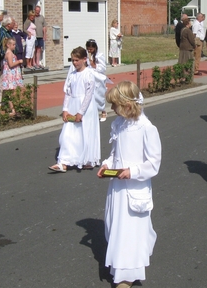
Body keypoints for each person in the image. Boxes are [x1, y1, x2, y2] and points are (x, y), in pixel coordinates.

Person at [97, 81, 162, 288]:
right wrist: (107, 164)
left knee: (131, 231)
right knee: (116, 226)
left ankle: (127, 275)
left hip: (135, 187)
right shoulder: (119, 124)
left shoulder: (146, 128)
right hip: (117, 186)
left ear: (127, 105)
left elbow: (153, 164)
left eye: (115, 105)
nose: (112, 109)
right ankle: (119, 267)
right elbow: (115, 152)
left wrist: (132, 172)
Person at [49, 47, 100, 172]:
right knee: (67, 133)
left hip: (85, 107)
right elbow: (68, 92)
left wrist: (81, 112)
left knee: (84, 133)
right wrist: (65, 109)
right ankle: (64, 162)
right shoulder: (72, 75)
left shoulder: (89, 74)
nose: (74, 63)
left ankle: (86, 158)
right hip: (73, 104)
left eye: (77, 60)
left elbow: (88, 95)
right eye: (72, 60)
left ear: (84, 59)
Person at [85, 39, 109, 122]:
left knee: (99, 95)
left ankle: (103, 111)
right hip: (90, 77)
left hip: (98, 78)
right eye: (88, 49)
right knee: (90, 95)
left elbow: (103, 68)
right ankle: (92, 113)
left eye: (91, 49)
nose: (89, 51)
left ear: (95, 48)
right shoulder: (87, 55)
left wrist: (94, 65)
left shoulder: (99, 55)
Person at [0, 37, 24, 116]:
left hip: (13, 73)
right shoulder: (9, 53)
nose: (14, 46)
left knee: (12, 92)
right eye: (13, 45)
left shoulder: (10, 52)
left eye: (15, 44)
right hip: (10, 74)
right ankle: (12, 109)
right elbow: (10, 64)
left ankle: (14, 108)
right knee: (10, 92)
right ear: (8, 45)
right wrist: (19, 61)